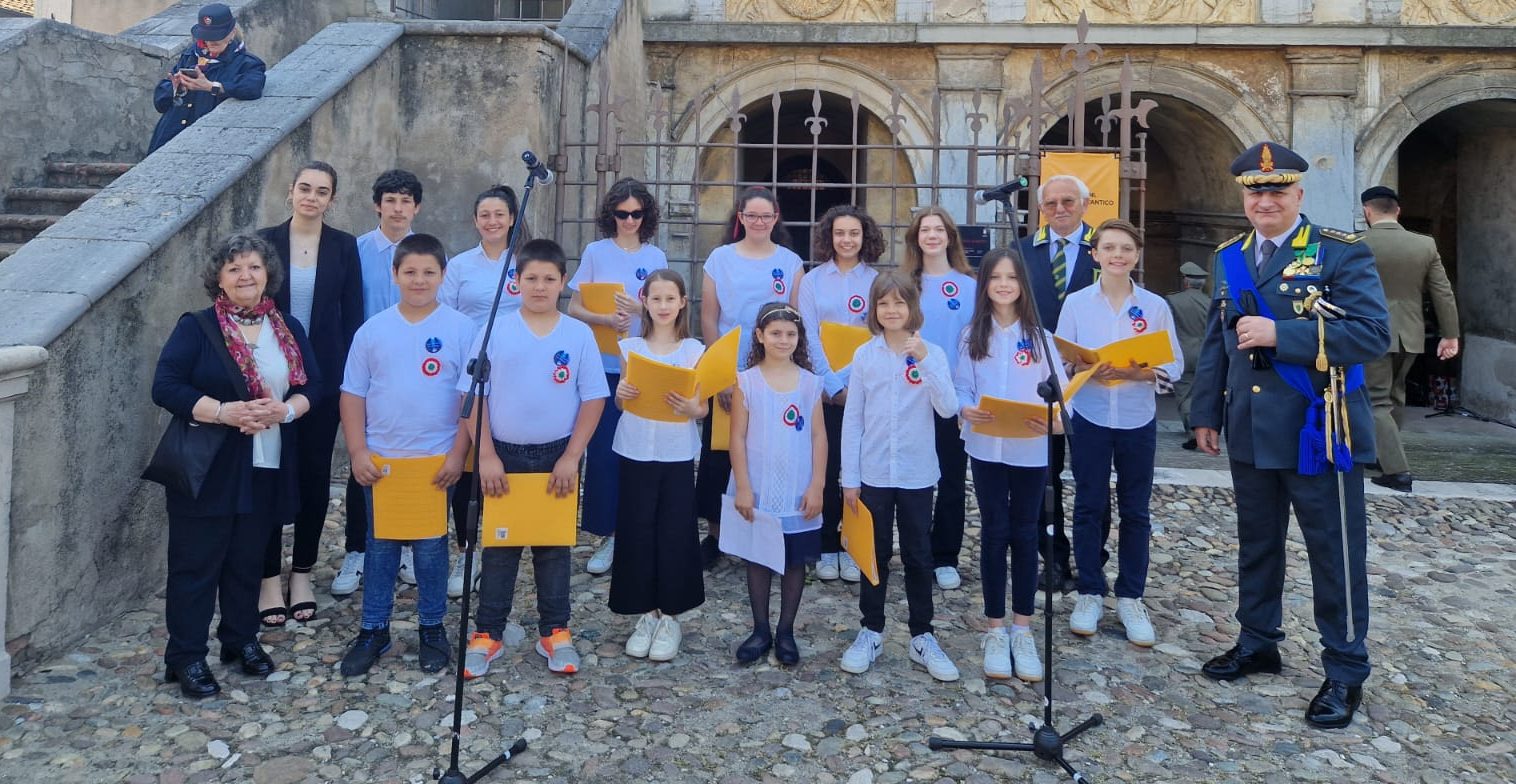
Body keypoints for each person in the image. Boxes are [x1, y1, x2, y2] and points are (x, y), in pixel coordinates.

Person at [1192, 141, 1389, 729]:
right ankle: (1258, 640)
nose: (1266, 201)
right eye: (1256, 192)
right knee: (1256, 542)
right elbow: (1217, 342)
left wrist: (1282, 334)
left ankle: (1346, 668)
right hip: (1251, 427)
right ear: (1244, 198)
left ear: (1299, 194)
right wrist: (1205, 412)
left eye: (1277, 191)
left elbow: (1372, 334)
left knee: (1334, 550)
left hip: (1318, 427)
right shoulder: (1229, 256)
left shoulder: (1339, 252)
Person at [150, 233, 320, 698]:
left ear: (268, 275)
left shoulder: (287, 327)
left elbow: (314, 386)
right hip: (209, 466)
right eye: (235, 268)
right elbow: (165, 386)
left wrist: (285, 411)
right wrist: (223, 411)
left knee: (247, 559)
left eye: (254, 267)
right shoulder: (197, 327)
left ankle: (240, 639)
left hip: (266, 462)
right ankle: (185, 656)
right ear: (219, 280)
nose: (246, 276)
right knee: (196, 564)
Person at [461, 239, 608, 678]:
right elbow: (472, 397)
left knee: (553, 546)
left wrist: (572, 455)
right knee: (499, 546)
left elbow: (593, 398)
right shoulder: (495, 331)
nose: (540, 287)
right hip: (503, 455)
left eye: (549, 279)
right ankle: (488, 632)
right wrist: (485, 454)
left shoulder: (577, 335)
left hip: (557, 455)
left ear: (563, 282)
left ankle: (555, 631)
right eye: (531, 278)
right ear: (516, 282)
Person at [338, 234, 475, 676]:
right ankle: (373, 629)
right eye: (410, 272)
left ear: (442, 275)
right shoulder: (373, 330)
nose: (419, 280)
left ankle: (432, 628)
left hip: (435, 459)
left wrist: (458, 455)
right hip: (382, 460)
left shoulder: (461, 329)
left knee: (432, 549)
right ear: (394, 274)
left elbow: (471, 399)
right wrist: (358, 450)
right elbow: (353, 394)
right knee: (380, 547)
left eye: (429, 272)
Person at [1056, 219, 1182, 647]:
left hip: (1136, 418)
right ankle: (1090, 590)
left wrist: (1137, 373)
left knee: (1136, 510)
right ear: (1095, 254)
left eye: (1126, 248)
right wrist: (1083, 366)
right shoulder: (1077, 303)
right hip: (1090, 416)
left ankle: (1131, 595)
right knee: (1088, 505)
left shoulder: (1154, 306)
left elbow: (1174, 364)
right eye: (1109, 247)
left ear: (1137, 254)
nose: (1117, 255)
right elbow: (1062, 359)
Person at [837, 271, 960, 681]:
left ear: (913, 308)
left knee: (918, 553)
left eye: (899, 303)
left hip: (915, 472)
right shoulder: (864, 356)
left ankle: (922, 634)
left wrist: (925, 360)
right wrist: (849, 476)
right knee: (873, 553)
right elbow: (853, 419)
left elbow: (948, 408)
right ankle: (871, 629)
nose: (891, 310)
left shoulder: (932, 353)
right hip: (873, 471)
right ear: (874, 310)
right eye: (884, 303)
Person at [258, 161, 363, 625]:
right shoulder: (264, 242)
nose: (312, 197)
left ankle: (301, 571)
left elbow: (352, 315)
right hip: (269, 376)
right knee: (268, 472)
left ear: (331, 200)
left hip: (322, 380)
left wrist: (348, 379)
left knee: (315, 476)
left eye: (322, 191)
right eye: (305, 188)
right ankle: (267, 577)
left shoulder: (343, 246)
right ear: (291, 191)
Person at [955, 248, 1065, 683]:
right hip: (986, 447)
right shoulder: (972, 335)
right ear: (984, 284)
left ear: (1023, 286)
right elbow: (962, 387)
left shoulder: (1040, 338)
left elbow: (1063, 396)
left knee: (1025, 532)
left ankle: (1022, 628)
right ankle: (995, 629)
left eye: (1012, 278)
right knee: (994, 532)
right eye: (996, 277)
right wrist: (965, 408)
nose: (1004, 285)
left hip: (1029, 449)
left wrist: (1053, 418)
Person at [696, 186, 804, 568]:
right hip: (730, 370)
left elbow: (795, 319)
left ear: (776, 218)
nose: (759, 222)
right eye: (752, 215)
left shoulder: (790, 262)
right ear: (740, 217)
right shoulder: (720, 258)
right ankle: (715, 534)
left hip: (774, 371)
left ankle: (767, 533)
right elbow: (709, 317)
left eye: (766, 215)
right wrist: (723, 374)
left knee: (767, 451)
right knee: (719, 453)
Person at [568, 178, 669, 576]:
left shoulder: (656, 255)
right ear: (611, 214)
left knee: (641, 449)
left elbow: (667, 309)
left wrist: (641, 310)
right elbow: (574, 307)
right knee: (604, 452)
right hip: (603, 364)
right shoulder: (596, 252)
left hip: (642, 364)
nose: (629, 221)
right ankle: (607, 532)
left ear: (647, 215)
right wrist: (606, 318)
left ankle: (637, 530)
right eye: (622, 213)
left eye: (636, 214)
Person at [333, 169, 425, 598]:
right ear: (377, 205)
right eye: (390, 200)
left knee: (412, 457)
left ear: (416, 208)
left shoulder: (426, 252)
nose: (398, 209)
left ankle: (406, 546)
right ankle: (358, 549)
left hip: (416, 372)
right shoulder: (355, 251)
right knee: (364, 458)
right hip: (368, 369)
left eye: (406, 201)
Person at [609, 269, 707, 662]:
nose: (663, 306)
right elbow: (622, 403)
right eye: (656, 298)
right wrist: (621, 393)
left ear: (682, 302)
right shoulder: (630, 347)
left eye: (670, 298)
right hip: (635, 448)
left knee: (674, 531)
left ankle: (670, 616)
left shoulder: (693, 350)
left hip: (675, 451)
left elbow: (701, 407)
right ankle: (645, 613)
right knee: (636, 529)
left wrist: (690, 407)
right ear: (644, 302)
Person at [729, 303, 826, 666]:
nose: (783, 340)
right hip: (758, 486)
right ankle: (760, 630)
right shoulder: (746, 381)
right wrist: (743, 486)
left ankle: (786, 631)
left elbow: (818, 436)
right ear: (759, 336)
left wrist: (817, 484)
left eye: (790, 334)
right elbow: (737, 437)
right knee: (759, 559)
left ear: (799, 338)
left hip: (797, 488)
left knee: (794, 561)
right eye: (775, 333)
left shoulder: (810, 383)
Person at [441, 184, 525, 597]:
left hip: (517, 375)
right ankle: (467, 550)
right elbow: (446, 316)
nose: (492, 221)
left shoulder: (524, 262)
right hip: (469, 374)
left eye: (499, 214)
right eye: (484, 215)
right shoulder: (459, 265)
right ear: (475, 221)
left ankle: (502, 547)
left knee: (507, 459)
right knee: (470, 464)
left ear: (511, 219)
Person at [1018, 174, 1101, 594]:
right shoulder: (1022, 251)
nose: (1060, 209)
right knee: (1044, 477)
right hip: (1040, 380)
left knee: (1091, 478)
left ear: (1085, 204)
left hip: (1091, 382)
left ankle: (1092, 561)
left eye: (1069, 201)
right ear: (1041, 209)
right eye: (1051, 203)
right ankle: (1052, 558)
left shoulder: (1103, 249)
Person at [797, 204, 882, 583]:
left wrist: (850, 384)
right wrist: (831, 384)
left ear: (865, 237)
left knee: (858, 468)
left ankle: (853, 545)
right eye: (840, 233)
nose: (847, 240)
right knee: (826, 465)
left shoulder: (876, 281)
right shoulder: (812, 281)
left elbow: (878, 334)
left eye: (854, 233)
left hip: (864, 390)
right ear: (828, 237)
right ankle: (826, 545)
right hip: (822, 391)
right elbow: (808, 334)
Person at [1359, 185, 1460, 494]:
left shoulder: (1357, 243)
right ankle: (1382, 455)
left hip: (1371, 332)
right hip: (1411, 333)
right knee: (1395, 395)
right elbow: (1442, 292)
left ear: (1366, 211)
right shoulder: (1425, 244)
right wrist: (1450, 334)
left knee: (1375, 400)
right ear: (1398, 211)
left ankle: (1397, 470)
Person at [900, 206, 975, 591]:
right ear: (916, 238)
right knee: (912, 479)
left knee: (951, 477)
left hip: (952, 394)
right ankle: (915, 552)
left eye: (938, 229)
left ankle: (945, 554)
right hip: (911, 393)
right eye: (924, 230)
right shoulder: (904, 285)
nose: (931, 235)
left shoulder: (970, 285)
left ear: (949, 237)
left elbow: (977, 343)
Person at [148, 4, 265, 153]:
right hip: (170, 134)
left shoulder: (246, 63)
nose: (209, 45)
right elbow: (160, 103)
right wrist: (176, 88)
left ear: (232, 34)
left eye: (215, 41)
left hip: (208, 141)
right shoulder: (190, 56)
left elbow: (252, 87)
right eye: (206, 39)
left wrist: (211, 86)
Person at [1167, 262, 1212, 450]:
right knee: (1202, 393)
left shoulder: (1172, 300)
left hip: (1182, 352)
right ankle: (1203, 428)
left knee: (1185, 394)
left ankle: (1193, 432)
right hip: (1206, 353)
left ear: (1185, 281)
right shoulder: (1210, 302)